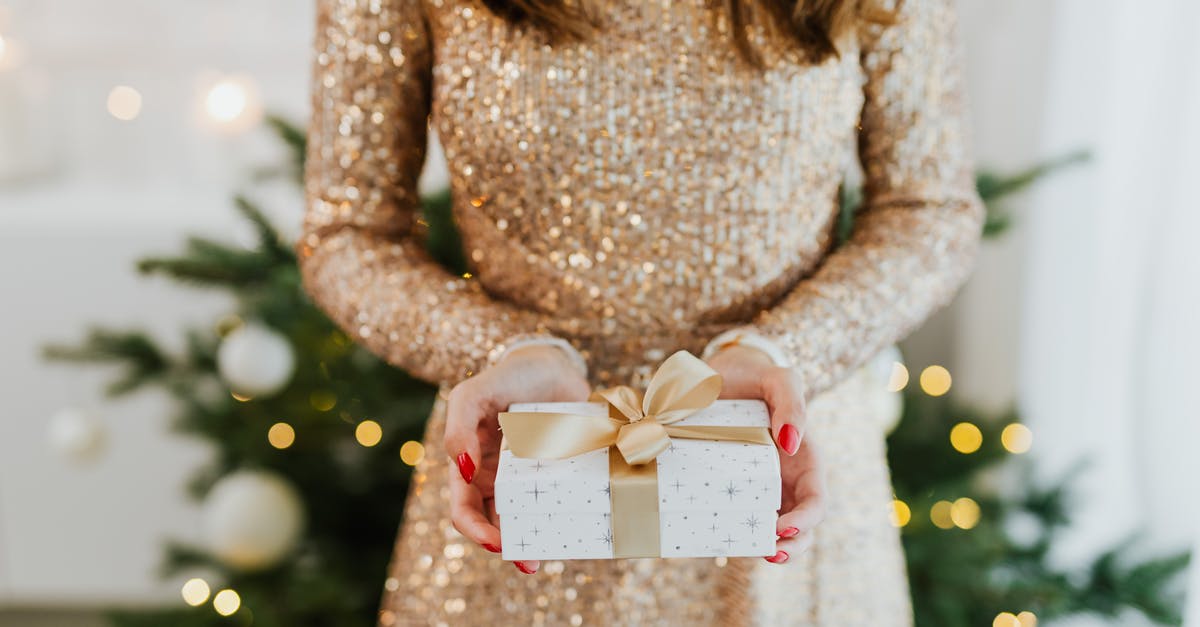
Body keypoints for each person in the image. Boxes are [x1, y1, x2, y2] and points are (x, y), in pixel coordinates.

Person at [297, 0, 983, 621]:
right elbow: (349, 233)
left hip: (773, 469)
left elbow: (928, 211)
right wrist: (496, 348)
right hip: (535, 466)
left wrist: (788, 347)